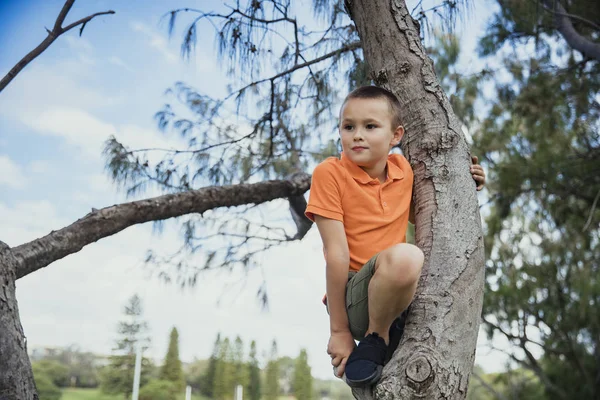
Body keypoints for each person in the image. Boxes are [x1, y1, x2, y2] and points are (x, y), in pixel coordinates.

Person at [304, 86, 486, 388]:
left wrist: (466, 182)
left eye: (370, 126)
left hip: (397, 293)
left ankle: (389, 331)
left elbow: (430, 212)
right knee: (407, 255)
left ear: (396, 135)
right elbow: (336, 255)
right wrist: (339, 331)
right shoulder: (329, 174)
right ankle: (376, 338)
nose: (357, 135)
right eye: (349, 127)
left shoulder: (403, 171)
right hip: (354, 298)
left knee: (408, 260)